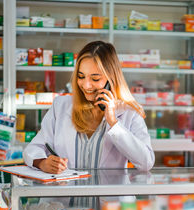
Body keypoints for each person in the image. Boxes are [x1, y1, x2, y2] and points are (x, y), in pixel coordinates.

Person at [23, 41, 155, 172]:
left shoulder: (129, 112)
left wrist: (113, 123)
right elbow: (33, 148)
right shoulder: (61, 106)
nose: (86, 85)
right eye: (81, 76)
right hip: (66, 191)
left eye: (95, 79)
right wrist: (42, 163)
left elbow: (146, 162)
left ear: (111, 79)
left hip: (108, 193)